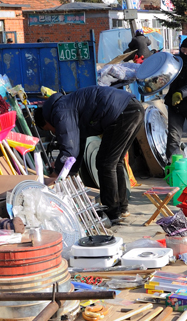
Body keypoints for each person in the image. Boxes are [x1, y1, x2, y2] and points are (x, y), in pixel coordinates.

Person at [36, 86, 144, 224]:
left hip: (123, 112)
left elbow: (69, 149)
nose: (54, 132)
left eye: (49, 130)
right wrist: (69, 170)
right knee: (115, 161)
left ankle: (112, 212)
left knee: (105, 163)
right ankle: (121, 208)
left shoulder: (60, 112)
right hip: (133, 108)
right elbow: (77, 145)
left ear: (46, 121)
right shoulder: (67, 105)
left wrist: (56, 172)